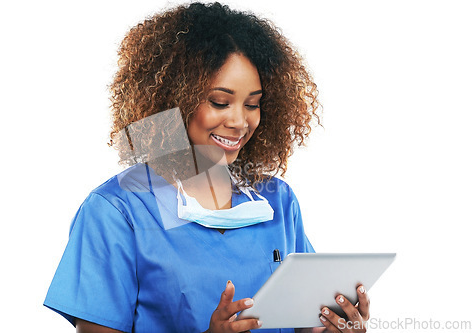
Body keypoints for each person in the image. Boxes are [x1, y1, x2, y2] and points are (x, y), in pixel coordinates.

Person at [44, 2, 370, 332]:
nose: (240, 121)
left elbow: (302, 322)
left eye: (253, 104)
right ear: (176, 100)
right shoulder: (117, 211)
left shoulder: (278, 202)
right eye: (220, 102)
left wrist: (331, 328)